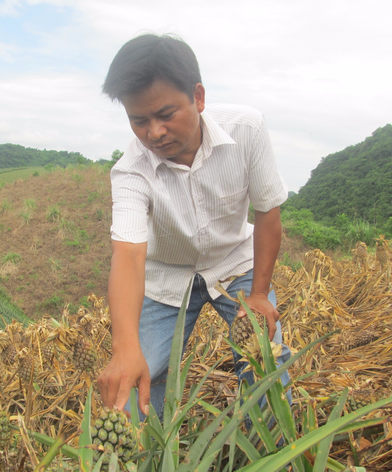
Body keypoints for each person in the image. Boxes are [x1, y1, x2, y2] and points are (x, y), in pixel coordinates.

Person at [97, 33, 291, 420]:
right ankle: (149, 470)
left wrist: (258, 295)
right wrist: (125, 349)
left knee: (266, 361)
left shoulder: (247, 130)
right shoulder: (130, 171)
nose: (153, 132)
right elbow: (129, 255)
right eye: (139, 120)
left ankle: (267, 458)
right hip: (165, 280)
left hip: (234, 264)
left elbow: (268, 212)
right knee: (134, 388)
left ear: (198, 97)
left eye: (166, 114)